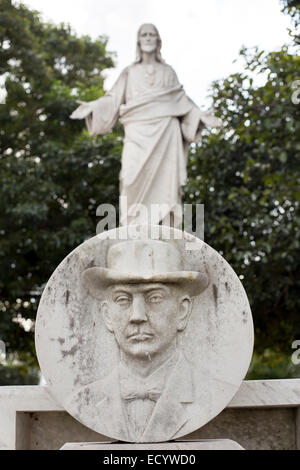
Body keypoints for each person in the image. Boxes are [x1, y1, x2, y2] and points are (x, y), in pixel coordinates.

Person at [70, 24, 222, 226]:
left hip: (165, 133)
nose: (148, 38)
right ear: (138, 41)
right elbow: (113, 99)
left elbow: (183, 102)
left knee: (166, 185)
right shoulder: (129, 72)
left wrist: (201, 116)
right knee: (130, 176)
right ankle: (133, 226)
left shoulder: (168, 72)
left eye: (152, 35)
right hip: (136, 132)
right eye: (144, 35)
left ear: (158, 41)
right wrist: (94, 107)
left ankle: (164, 227)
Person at [65, 239, 210, 442]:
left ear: (182, 311)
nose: (137, 316)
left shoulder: (211, 393)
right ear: (106, 315)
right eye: (123, 299)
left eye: (155, 298)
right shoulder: (82, 401)